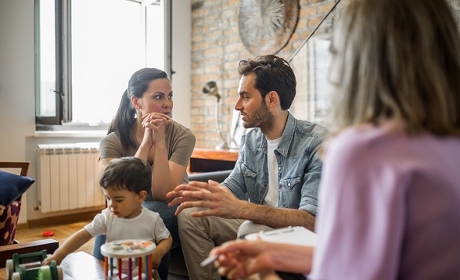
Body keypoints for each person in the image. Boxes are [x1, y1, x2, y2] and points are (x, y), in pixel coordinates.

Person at [210, 0, 460, 279]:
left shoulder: (360, 151)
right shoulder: (450, 147)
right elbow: (373, 256)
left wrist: (264, 274)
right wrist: (272, 254)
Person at [166, 55, 329, 280]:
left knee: (248, 229)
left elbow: (310, 221)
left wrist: (241, 209)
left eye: (245, 96)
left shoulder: (315, 143)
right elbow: (234, 184)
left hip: (295, 235)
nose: (237, 106)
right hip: (254, 221)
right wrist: (207, 195)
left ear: (272, 99)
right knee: (191, 214)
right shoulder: (252, 140)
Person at [95, 68, 196, 279]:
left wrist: (159, 144)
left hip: (171, 211)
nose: (167, 103)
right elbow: (122, 186)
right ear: (136, 102)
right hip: (128, 210)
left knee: (154, 213)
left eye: (169, 96)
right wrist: (147, 141)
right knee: (113, 218)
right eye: (158, 97)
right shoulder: (112, 142)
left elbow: (165, 195)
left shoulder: (183, 136)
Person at [43, 157, 172, 279]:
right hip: (115, 274)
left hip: (145, 275)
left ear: (141, 196)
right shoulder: (107, 217)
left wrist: (159, 252)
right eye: (108, 198)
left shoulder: (152, 219)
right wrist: (58, 255)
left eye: (118, 200)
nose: (111, 205)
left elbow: (167, 239)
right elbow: (83, 235)